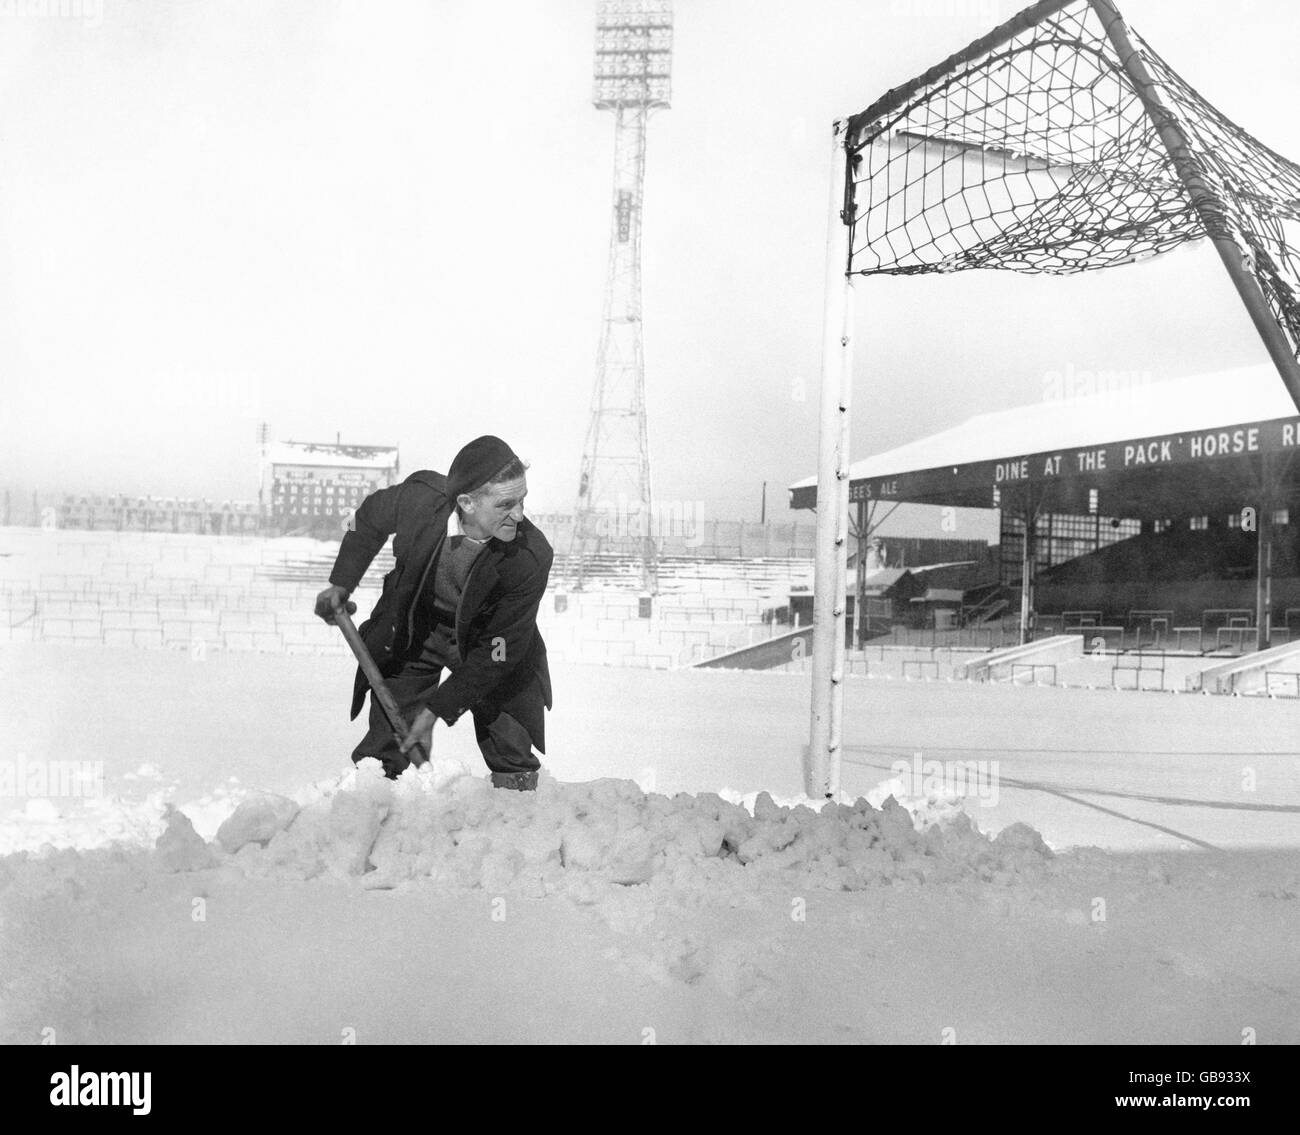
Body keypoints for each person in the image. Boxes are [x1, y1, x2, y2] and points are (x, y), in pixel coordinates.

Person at [313, 436, 552, 790]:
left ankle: (516, 811)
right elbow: (360, 519)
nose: (519, 514)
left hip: (490, 644)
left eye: (522, 500)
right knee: (387, 746)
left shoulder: (530, 556)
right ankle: (375, 805)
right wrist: (341, 583)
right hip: (415, 630)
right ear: (466, 503)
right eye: (506, 504)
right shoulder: (419, 501)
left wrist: (439, 708)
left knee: (510, 743)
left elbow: (499, 651)